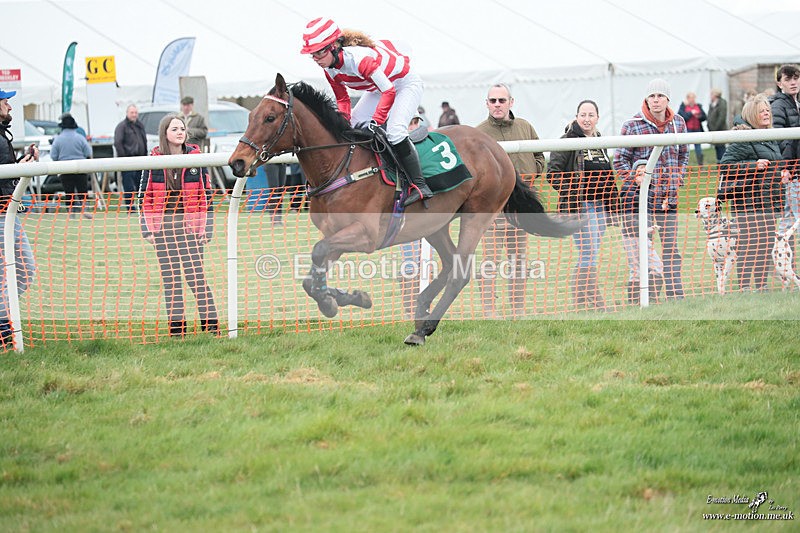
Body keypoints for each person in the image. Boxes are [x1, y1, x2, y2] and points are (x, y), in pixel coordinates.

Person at [301, 17, 432, 207]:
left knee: (395, 132)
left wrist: (376, 121)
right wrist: (343, 123)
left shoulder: (359, 60)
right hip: (379, 89)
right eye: (312, 55)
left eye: (319, 53)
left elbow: (389, 91)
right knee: (351, 126)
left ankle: (420, 186)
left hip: (404, 85)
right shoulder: (329, 68)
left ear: (335, 46)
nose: (317, 59)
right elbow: (343, 99)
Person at [139, 114, 218, 337]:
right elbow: (144, 197)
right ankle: (177, 332)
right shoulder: (153, 160)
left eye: (182, 128)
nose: (180, 132)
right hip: (163, 231)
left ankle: (211, 328)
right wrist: (148, 229)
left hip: (191, 230)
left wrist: (206, 229)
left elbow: (207, 195)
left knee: (197, 279)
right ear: (165, 133)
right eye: (174, 129)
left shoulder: (196, 159)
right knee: (171, 281)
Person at [614, 78, 689, 301]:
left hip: (669, 198)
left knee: (671, 249)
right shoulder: (632, 124)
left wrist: (678, 177)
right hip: (641, 199)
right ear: (646, 99)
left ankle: (676, 295)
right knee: (642, 250)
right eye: (652, 96)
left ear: (668, 99)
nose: (656, 100)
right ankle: (643, 296)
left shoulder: (679, 123)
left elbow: (684, 154)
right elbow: (619, 160)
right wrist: (636, 180)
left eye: (660, 96)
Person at [476, 83, 545, 318]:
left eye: (501, 100)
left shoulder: (525, 127)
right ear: (487, 103)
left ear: (511, 102)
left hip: (520, 210)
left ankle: (517, 308)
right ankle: (489, 310)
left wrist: (533, 172)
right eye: (493, 101)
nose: (497, 105)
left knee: (519, 262)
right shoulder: (478, 132)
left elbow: (540, 155)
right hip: (492, 211)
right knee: (490, 262)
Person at [547, 100, 619, 311]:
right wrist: (573, 193)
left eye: (591, 115)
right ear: (576, 117)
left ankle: (580, 301)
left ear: (597, 117)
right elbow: (553, 174)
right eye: (583, 115)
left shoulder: (599, 140)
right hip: (581, 207)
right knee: (589, 251)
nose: (586, 119)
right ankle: (596, 302)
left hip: (600, 206)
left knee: (591, 252)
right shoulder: (567, 141)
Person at [718, 94, 790, 292]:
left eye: (768, 110)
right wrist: (752, 165)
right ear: (752, 114)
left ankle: (761, 287)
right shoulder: (743, 137)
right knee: (749, 248)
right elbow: (725, 166)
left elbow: (774, 164)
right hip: (748, 206)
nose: (766, 113)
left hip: (769, 203)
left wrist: (781, 172)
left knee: (765, 247)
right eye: (762, 111)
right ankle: (744, 288)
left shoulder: (769, 136)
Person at [0, 88, 38, 348]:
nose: (10, 107)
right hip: (3, 215)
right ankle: (3, 325)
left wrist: (22, 164)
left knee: (20, 271)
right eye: (5, 102)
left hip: (6, 212)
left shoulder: (3, 136)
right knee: (22, 271)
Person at [619, 160, 664, 304]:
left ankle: (650, 299)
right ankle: (634, 301)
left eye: (646, 170)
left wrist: (663, 205)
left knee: (654, 267)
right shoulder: (628, 190)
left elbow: (653, 208)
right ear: (634, 173)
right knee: (638, 269)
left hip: (645, 235)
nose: (643, 173)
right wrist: (644, 229)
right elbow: (628, 217)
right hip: (632, 236)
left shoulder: (651, 189)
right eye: (639, 171)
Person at [769, 65, 800, 254]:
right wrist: (785, 166)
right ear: (779, 83)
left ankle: (780, 258)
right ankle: (779, 255)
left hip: (796, 168)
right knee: (794, 216)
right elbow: (779, 139)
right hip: (791, 171)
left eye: (796, 78)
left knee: (789, 217)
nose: (793, 82)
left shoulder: (797, 103)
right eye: (788, 79)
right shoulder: (778, 105)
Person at [50, 113, 93, 220]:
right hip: (81, 168)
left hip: (64, 168)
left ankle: (71, 213)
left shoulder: (58, 139)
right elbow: (88, 152)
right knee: (82, 190)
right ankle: (85, 210)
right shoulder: (80, 138)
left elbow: (53, 155)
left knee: (69, 192)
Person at [114, 104, 147, 212]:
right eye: (132, 112)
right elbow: (118, 143)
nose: (134, 115)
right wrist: (124, 159)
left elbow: (144, 141)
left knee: (141, 185)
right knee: (128, 186)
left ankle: (142, 207)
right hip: (127, 161)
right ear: (127, 113)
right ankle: (130, 208)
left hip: (141, 161)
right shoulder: (121, 126)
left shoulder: (140, 125)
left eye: (135, 113)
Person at [677, 92, 707, 166]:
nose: (692, 100)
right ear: (687, 99)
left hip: (697, 130)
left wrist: (699, 116)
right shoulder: (683, 107)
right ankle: (685, 165)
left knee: (698, 149)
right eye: (691, 98)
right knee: (685, 149)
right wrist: (691, 113)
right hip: (688, 130)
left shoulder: (698, 106)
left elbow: (704, 117)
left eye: (693, 98)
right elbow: (682, 117)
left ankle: (701, 165)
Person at [707, 88, 729, 163]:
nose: (710, 96)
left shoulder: (722, 103)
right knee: (717, 148)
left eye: (711, 94)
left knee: (721, 148)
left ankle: (723, 164)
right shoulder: (712, 104)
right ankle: (719, 164)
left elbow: (721, 117)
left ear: (715, 94)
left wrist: (715, 128)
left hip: (720, 130)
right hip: (713, 130)